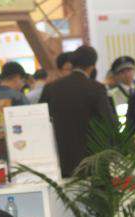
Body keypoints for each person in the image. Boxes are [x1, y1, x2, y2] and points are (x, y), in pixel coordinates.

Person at [40, 45, 116, 177]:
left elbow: (41, 122)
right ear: (92, 66)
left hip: (60, 161)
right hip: (92, 162)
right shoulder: (96, 89)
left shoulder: (50, 88)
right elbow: (108, 122)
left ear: (71, 64)